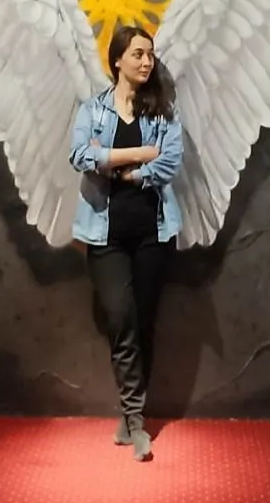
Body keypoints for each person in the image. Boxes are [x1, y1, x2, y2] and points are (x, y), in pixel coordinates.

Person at [69, 24, 184, 461]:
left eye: (150, 54)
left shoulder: (163, 112)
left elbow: (171, 160)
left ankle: (132, 417)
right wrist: (138, 154)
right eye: (138, 53)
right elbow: (80, 155)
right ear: (117, 60)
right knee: (121, 318)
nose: (146, 61)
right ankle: (136, 420)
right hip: (106, 235)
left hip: (154, 233)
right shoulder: (92, 111)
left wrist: (129, 172)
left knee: (144, 322)